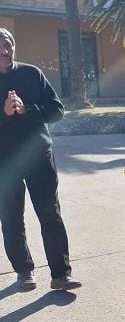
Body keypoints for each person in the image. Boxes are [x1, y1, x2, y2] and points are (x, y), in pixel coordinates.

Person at [0, 28, 81, 291]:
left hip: (38, 156)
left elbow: (57, 109)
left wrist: (26, 110)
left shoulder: (31, 74)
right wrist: (5, 113)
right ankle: (24, 271)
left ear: (14, 46)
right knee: (11, 217)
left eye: (8, 45)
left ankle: (61, 274)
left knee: (50, 213)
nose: (4, 50)